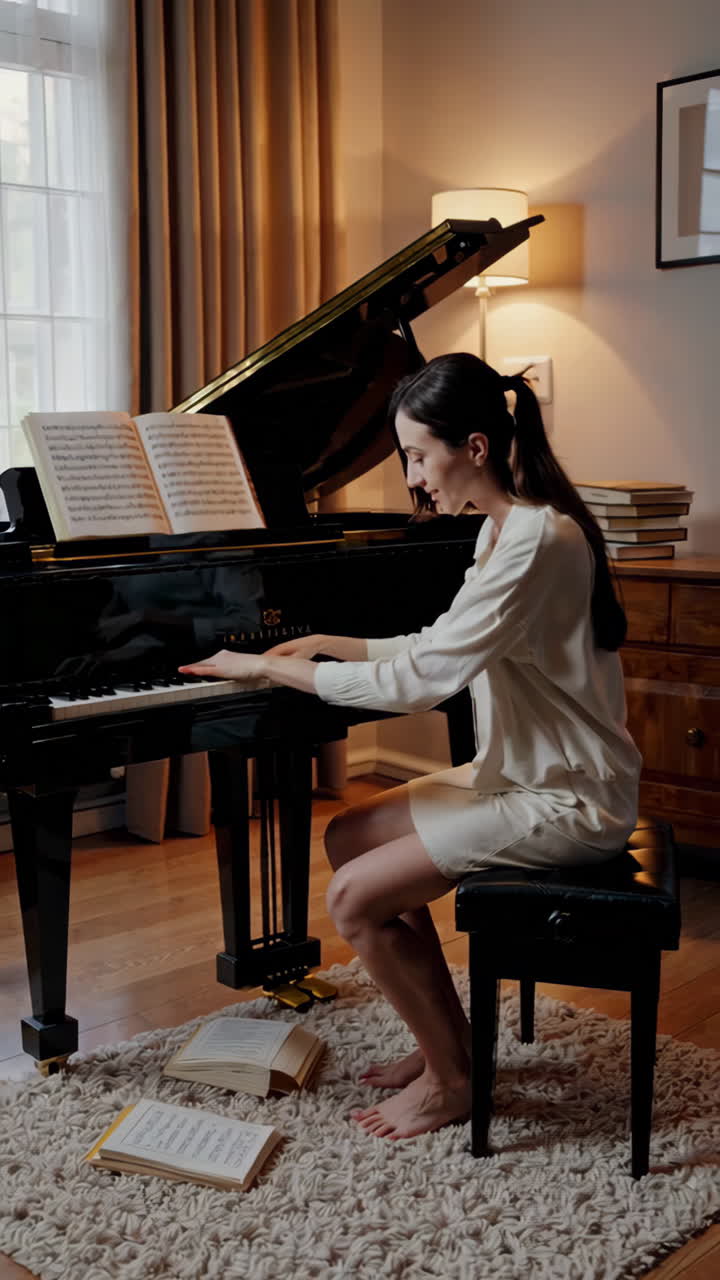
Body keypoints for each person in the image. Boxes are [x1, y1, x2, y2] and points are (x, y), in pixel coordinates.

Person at [178, 352, 642, 1142]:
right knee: (348, 834)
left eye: (418, 455)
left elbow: (424, 681)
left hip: (569, 795)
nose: (414, 477)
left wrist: (268, 666)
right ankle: (450, 1047)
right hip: (516, 773)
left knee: (353, 898)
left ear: (476, 447)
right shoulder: (501, 530)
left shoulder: (535, 538)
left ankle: (454, 1083)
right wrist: (331, 643)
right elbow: (433, 642)